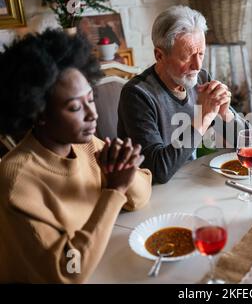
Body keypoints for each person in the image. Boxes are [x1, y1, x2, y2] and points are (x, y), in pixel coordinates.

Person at [0, 29, 152, 283]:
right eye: (74, 107)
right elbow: (69, 271)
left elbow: (140, 199)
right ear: (39, 113)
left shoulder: (84, 144)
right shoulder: (16, 182)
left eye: (90, 99)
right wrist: (114, 190)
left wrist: (126, 173)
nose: (92, 114)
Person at [117, 5, 248, 184]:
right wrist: (202, 118)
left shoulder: (201, 79)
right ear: (159, 55)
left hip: (191, 181)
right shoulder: (137, 95)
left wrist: (226, 115)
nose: (197, 65)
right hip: (155, 195)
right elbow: (158, 170)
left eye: (201, 53)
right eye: (187, 56)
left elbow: (248, 146)